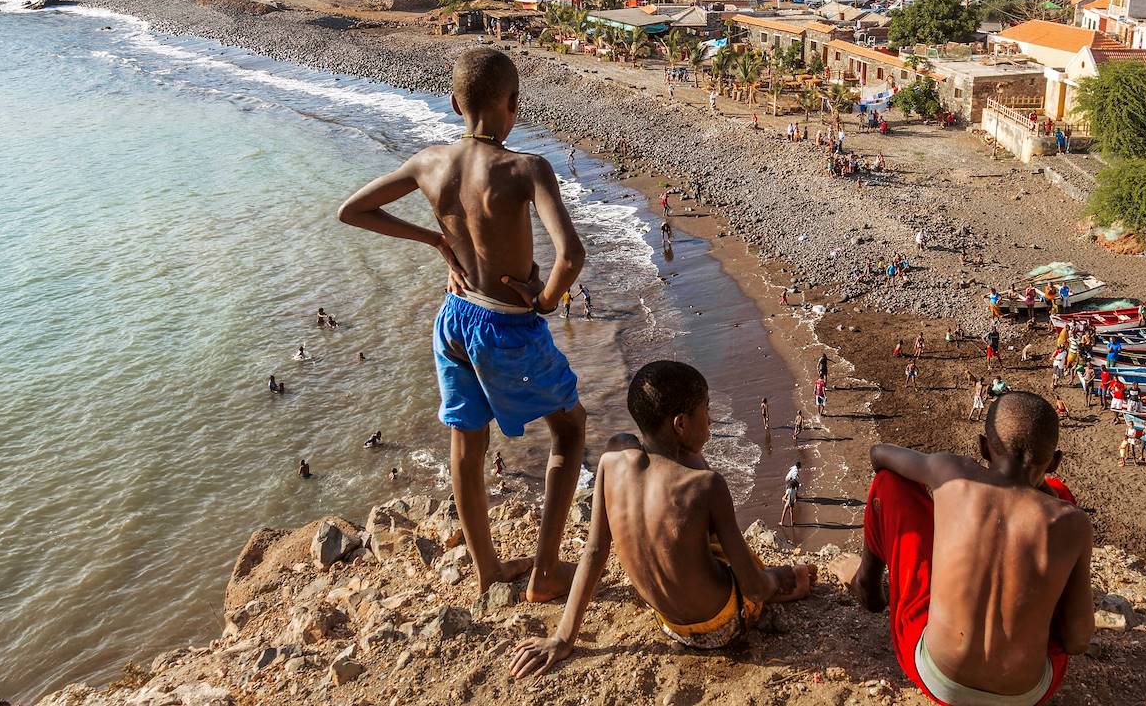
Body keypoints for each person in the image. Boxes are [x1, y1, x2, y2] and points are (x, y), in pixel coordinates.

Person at [337, 47, 587, 602]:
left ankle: (488, 570)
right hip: (507, 325)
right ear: (514, 105)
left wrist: (433, 238)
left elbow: (351, 211)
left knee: (466, 443)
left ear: (454, 104)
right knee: (569, 429)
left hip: (454, 319)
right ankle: (545, 572)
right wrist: (545, 300)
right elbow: (571, 254)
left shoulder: (429, 163)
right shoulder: (527, 168)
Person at [510, 362, 814, 675]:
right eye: (705, 411)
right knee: (759, 568)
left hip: (667, 623)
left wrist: (563, 638)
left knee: (640, 453)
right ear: (680, 424)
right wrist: (776, 580)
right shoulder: (706, 485)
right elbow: (754, 588)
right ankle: (787, 579)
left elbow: (594, 551)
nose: (710, 421)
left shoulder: (611, 461)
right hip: (720, 624)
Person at [845, 393, 1092, 706]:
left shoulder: (954, 473)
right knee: (1060, 496)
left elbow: (878, 454)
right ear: (1054, 462)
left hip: (939, 679)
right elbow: (1076, 640)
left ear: (983, 447)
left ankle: (867, 582)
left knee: (888, 483)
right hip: (1025, 695)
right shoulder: (1073, 523)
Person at [781, 460, 803, 527]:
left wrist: (783, 499)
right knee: (791, 511)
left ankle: (782, 522)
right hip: (790, 480)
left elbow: (784, 497)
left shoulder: (794, 467)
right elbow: (793, 478)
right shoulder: (794, 490)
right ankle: (791, 522)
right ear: (798, 466)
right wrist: (797, 483)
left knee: (784, 511)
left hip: (788, 501)